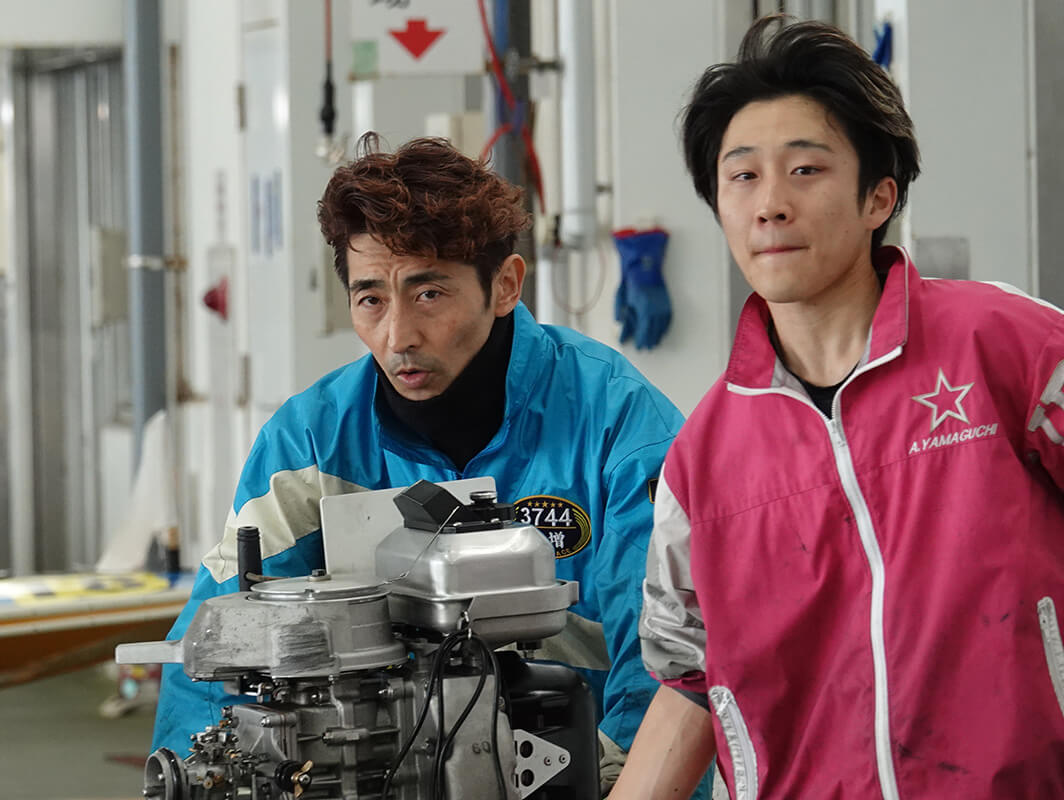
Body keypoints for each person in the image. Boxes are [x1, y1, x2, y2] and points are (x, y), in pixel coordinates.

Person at [612, 17, 1064, 800]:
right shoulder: (703, 458)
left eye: (806, 170)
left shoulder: (1003, 341)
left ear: (877, 198)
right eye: (742, 176)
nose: (770, 204)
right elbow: (690, 677)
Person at [152, 135, 706, 797]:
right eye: (371, 300)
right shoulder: (311, 442)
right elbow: (218, 644)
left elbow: (673, 662)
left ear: (505, 285)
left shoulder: (618, 425)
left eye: (429, 294)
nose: (398, 337)